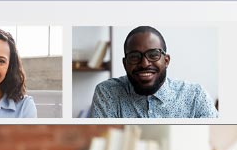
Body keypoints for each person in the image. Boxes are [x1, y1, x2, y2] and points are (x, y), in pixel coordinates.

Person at [90, 26, 218, 118]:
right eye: (135, 56)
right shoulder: (108, 93)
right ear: (125, 63)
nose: (144, 63)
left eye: (153, 54)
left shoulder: (195, 96)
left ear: (166, 60)